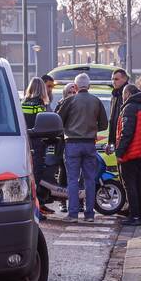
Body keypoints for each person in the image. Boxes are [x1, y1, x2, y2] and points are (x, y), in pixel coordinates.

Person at [57, 72, 107, 222]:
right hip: (90, 144)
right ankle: (89, 214)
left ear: (76, 86)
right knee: (89, 179)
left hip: (72, 144)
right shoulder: (96, 101)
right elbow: (104, 124)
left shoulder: (70, 100)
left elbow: (59, 120)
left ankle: (72, 214)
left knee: (72, 180)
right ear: (89, 86)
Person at [115, 83, 141, 226]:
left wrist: (119, 152)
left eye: (124, 94)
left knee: (129, 184)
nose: (123, 97)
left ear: (129, 94)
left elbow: (127, 132)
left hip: (131, 152)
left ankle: (135, 215)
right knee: (140, 183)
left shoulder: (129, 108)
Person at [21, 77, 53, 218]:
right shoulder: (40, 105)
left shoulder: (23, 103)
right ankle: (36, 211)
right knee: (36, 177)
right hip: (37, 144)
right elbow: (43, 125)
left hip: (25, 143)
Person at [106, 68, 129, 152]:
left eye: (116, 79)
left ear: (125, 79)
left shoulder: (129, 95)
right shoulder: (115, 95)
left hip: (125, 140)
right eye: (112, 79)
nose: (113, 81)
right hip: (117, 139)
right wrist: (110, 142)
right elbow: (112, 120)